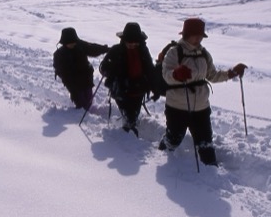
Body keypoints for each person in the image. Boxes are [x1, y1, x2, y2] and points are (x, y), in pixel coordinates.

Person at [158, 17, 247, 166]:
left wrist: (231, 73)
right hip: (177, 107)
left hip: (201, 107)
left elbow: (212, 75)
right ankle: (161, 155)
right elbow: (166, 75)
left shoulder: (204, 54)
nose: (199, 38)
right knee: (173, 138)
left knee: (205, 142)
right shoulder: (174, 52)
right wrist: (176, 74)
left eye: (201, 35)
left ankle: (210, 168)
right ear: (186, 35)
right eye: (196, 35)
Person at [99, 22, 156, 136]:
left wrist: (154, 84)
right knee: (126, 111)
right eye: (129, 42)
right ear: (123, 40)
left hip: (139, 88)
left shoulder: (143, 50)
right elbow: (103, 67)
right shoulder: (116, 50)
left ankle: (130, 124)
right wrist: (108, 68)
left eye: (135, 43)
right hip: (121, 88)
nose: (132, 45)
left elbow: (150, 68)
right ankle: (128, 130)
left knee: (135, 110)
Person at [53, 27, 109, 111]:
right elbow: (59, 68)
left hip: (86, 76)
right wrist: (66, 78)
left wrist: (105, 49)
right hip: (72, 81)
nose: (72, 44)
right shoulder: (59, 54)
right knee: (80, 100)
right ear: (64, 42)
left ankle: (87, 109)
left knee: (88, 98)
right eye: (69, 43)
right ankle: (79, 113)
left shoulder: (80, 46)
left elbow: (92, 48)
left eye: (73, 42)